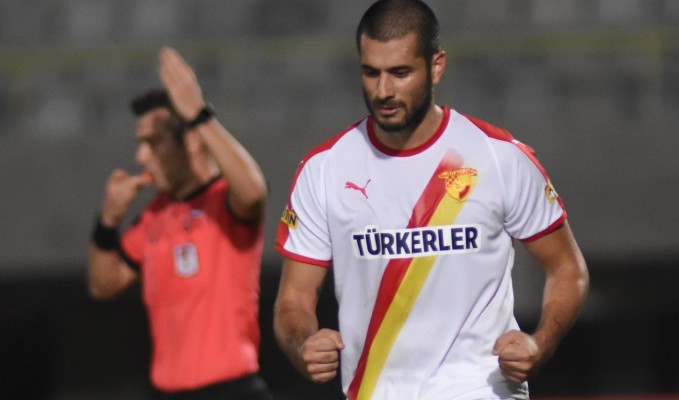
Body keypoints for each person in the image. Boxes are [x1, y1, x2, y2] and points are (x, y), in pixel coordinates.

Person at [273, 1, 589, 399]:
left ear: (436, 66)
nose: (383, 91)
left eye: (400, 73)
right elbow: (293, 299)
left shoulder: (498, 156)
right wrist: (302, 344)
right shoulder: (324, 169)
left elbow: (568, 269)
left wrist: (540, 344)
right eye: (371, 73)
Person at [88, 47, 273, 400]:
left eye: (153, 142)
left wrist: (200, 117)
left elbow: (253, 193)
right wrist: (107, 222)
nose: (141, 156)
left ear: (190, 142)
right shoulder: (155, 215)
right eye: (141, 144)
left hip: (231, 392)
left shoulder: (224, 201)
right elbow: (103, 285)